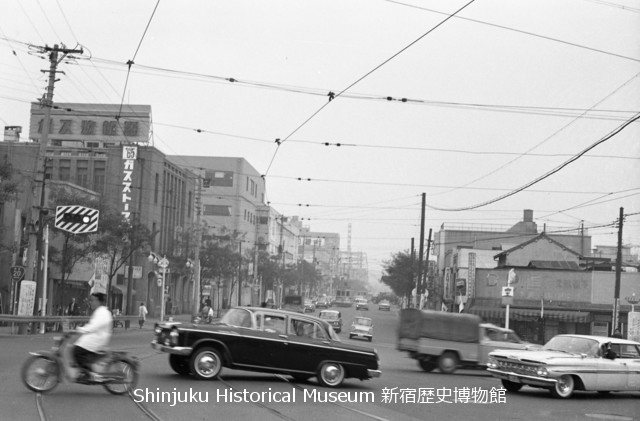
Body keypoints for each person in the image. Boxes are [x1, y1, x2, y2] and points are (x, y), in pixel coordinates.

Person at [73, 292, 112, 381]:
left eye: (92, 300)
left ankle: (89, 373)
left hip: (97, 338)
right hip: (94, 337)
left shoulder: (102, 313)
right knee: (77, 347)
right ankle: (85, 370)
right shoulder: (99, 311)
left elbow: (94, 326)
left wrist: (80, 330)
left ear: (99, 301)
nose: (90, 302)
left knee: (77, 351)